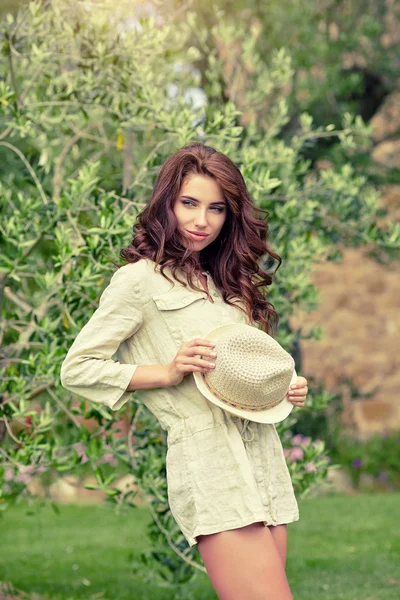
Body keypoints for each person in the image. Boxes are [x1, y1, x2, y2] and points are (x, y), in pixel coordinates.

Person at [60, 142, 308, 600]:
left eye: (216, 209)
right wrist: (167, 371)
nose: (201, 221)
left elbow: (236, 376)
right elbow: (77, 368)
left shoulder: (227, 284)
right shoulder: (138, 281)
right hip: (209, 462)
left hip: (263, 460)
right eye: (189, 203)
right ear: (165, 204)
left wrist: (284, 388)